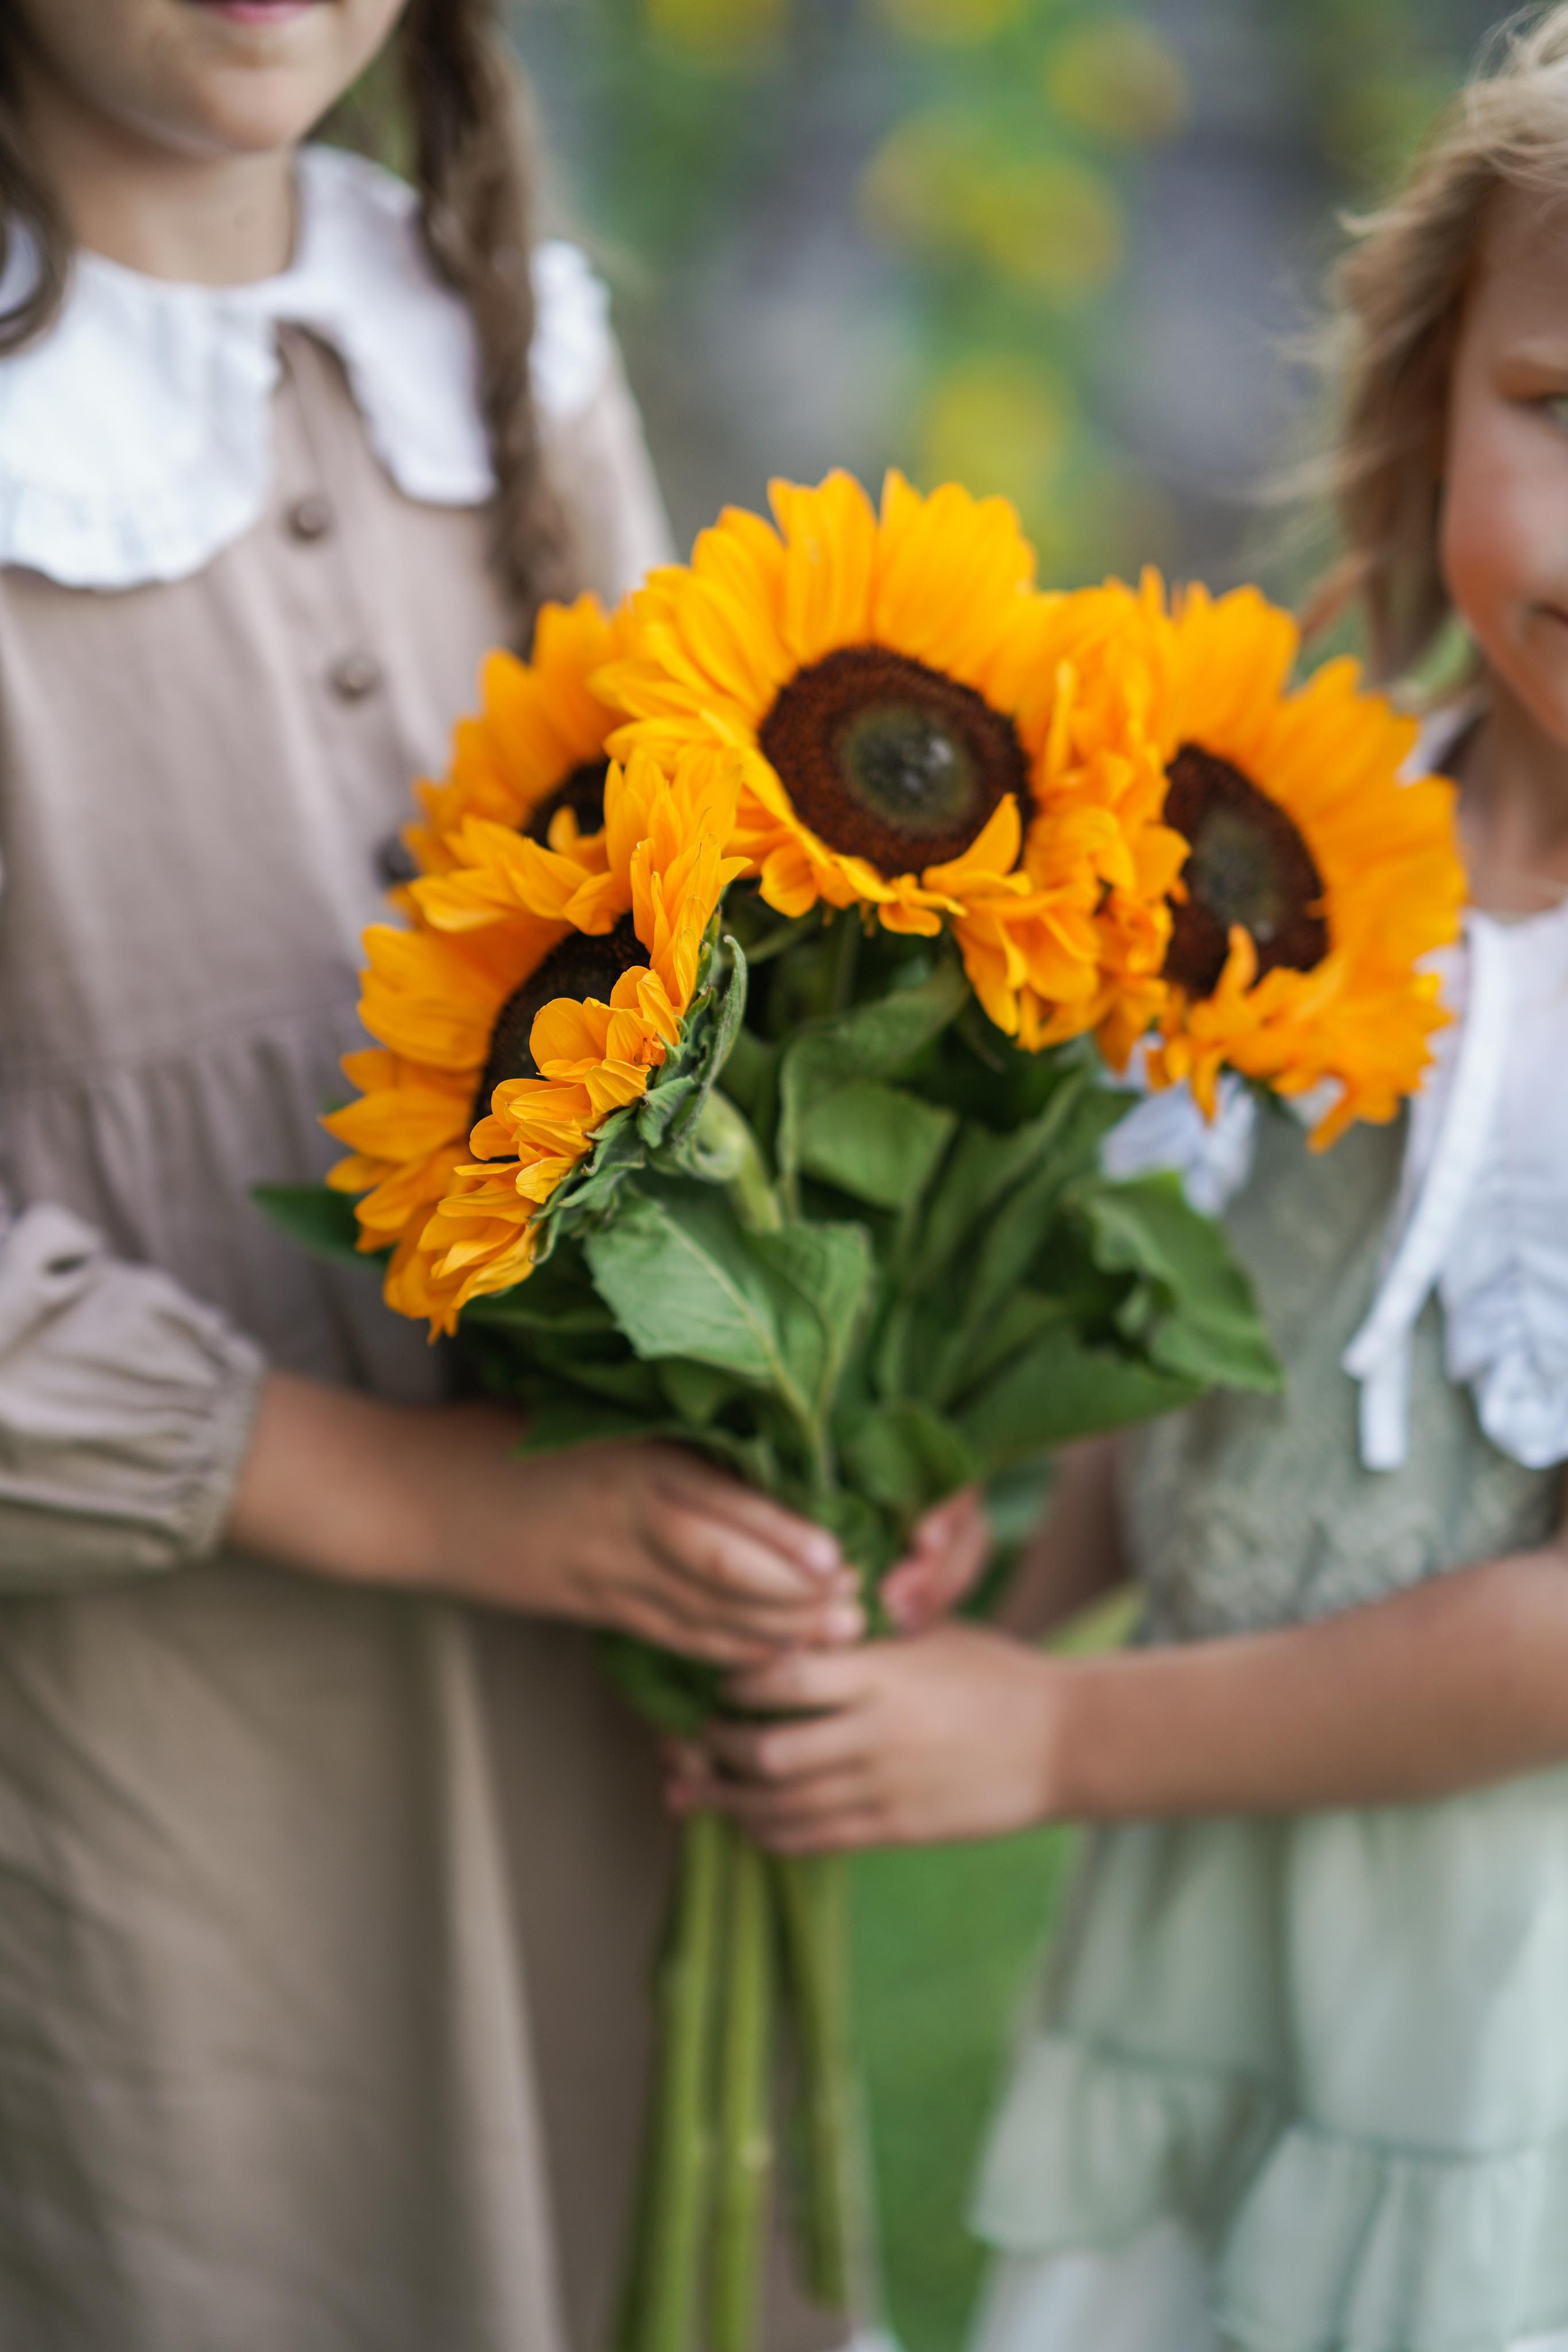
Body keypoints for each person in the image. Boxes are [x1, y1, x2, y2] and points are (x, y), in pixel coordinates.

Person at [0, 4, 988, 2346]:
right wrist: (420, 1500)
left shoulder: (493, 331)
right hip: (145, 1717)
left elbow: (723, 951)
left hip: (595, 1660)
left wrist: (846, 1415)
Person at [671, 13, 1568, 2350]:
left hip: (1503, 1999)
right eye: (1559, 412)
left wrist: (1053, 1738)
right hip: (1224, 1907)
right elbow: (1211, 1332)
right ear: (1424, 395)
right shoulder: (1299, 824)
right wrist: (991, 1551)